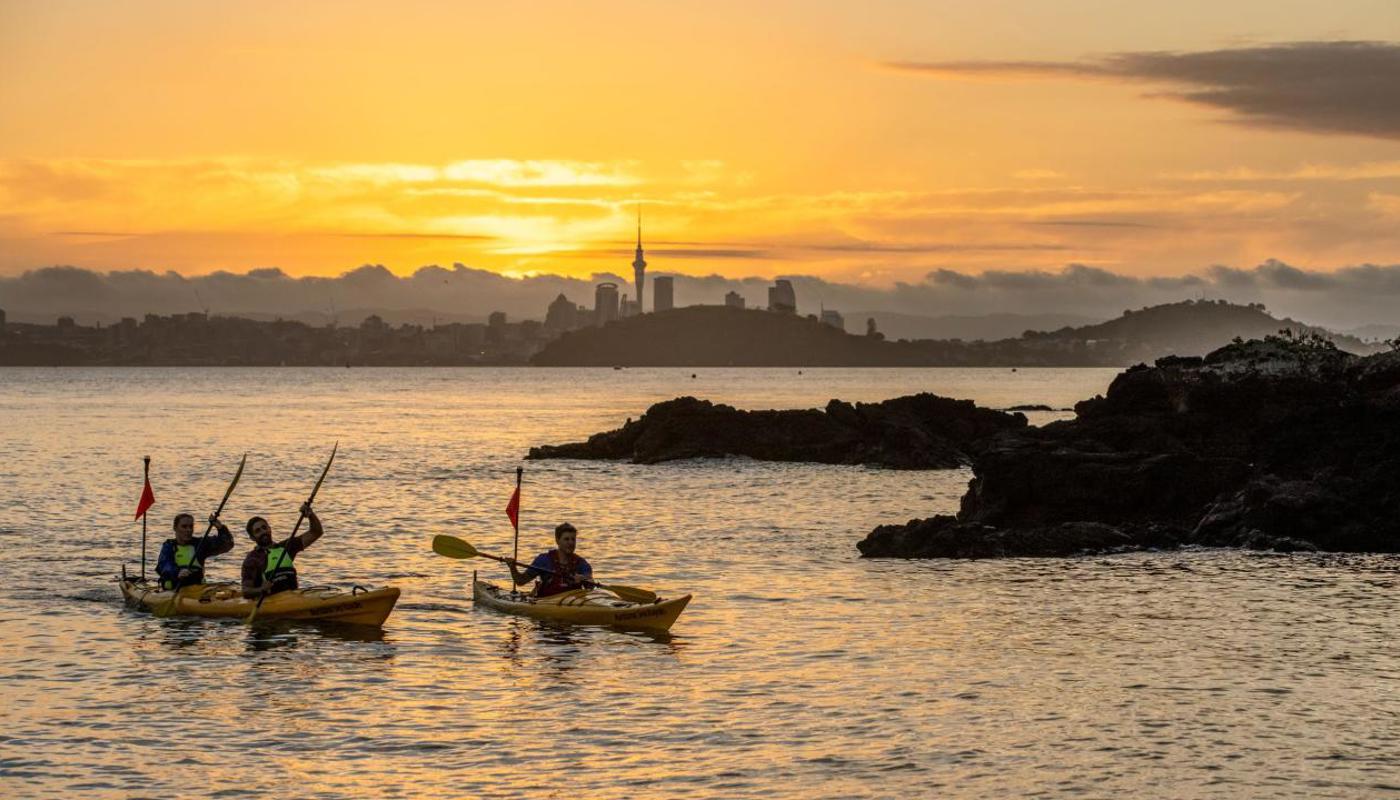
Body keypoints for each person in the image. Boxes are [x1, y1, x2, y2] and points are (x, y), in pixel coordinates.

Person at [241, 503, 324, 599]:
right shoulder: (252, 559)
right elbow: (246, 591)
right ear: (252, 538)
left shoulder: (287, 547)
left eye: (264, 528)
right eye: (258, 531)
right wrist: (261, 589)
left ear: (269, 528)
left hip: (292, 597)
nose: (263, 532)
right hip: (269, 601)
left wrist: (310, 515)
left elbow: (316, 532)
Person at [508, 522, 593, 597]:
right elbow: (521, 581)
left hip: (573, 604)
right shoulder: (544, 560)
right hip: (546, 602)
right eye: (566, 539)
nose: (571, 543)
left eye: (573, 539)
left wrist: (583, 578)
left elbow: (590, 584)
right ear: (557, 540)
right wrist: (512, 568)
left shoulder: (581, 563)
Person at [156, 512, 235, 591]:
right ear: (175, 528)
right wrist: (177, 572)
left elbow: (227, 544)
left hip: (197, 588)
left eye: (191, 526)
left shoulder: (200, 544)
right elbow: (164, 565)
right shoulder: (169, 546)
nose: (188, 530)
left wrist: (221, 528)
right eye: (184, 526)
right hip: (174, 588)